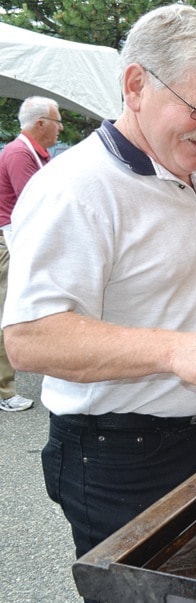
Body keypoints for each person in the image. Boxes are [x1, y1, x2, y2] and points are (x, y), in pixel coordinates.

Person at [1, 4, 196, 565]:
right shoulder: (76, 188)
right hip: (115, 454)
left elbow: (176, 294)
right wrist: (178, 352)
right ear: (135, 86)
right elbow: (30, 339)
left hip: (190, 432)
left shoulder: (188, 172)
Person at [0, 96, 63, 412]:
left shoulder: (32, 153)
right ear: (41, 124)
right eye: (58, 121)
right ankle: (4, 391)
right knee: (6, 315)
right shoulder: (19, 153)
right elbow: (36, 202)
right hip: (9, 244)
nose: (61, 128)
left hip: (18, 241)